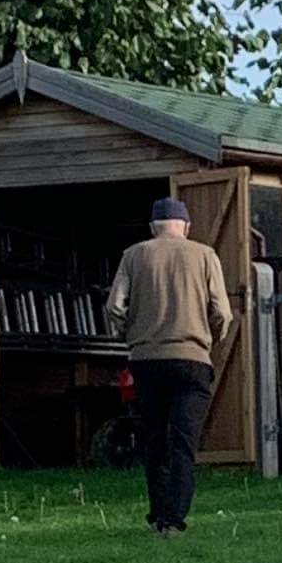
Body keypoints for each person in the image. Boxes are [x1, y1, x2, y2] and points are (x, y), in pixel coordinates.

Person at [102, 196, 233, 534]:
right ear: (186, 227)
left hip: (147, 361)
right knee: (183, 442)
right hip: (192, 360)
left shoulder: (134, 255)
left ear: (152, 228)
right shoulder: (205, 255)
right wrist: (208, 340)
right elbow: (222, 311)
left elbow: (115, 306)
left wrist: (130, 336)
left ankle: (158, 515)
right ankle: (174, 519)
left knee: (154, 440)